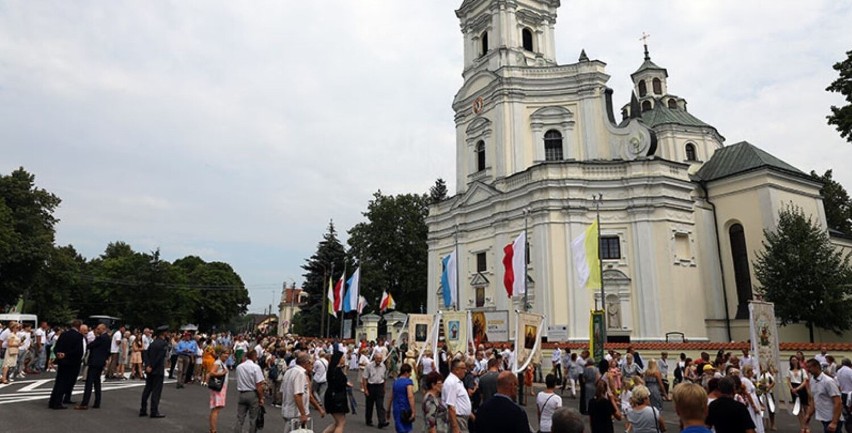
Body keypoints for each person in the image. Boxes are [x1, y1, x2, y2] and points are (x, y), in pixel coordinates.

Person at [282, 352, 325, 432]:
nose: (313, 367)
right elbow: (298, 394)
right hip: (295, 412)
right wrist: (303, 413)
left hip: (287, 408)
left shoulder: (289, 371)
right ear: (306, 363)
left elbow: (308, 395)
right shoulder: (300, 374)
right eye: (312, 364)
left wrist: (318, 408)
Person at [48, 319, 84, 409]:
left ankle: (52, 401)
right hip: (72, 362)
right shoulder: (79, 336)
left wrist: (58, 353)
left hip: (62, 361)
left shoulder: (63, 334)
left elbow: (56, 347)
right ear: (79, 326)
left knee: (59, 381)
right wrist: (66, 354)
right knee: (65, 383)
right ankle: (58, 403)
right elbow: (78, 351)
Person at [76, 323, 110, 410]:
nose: (97, 330)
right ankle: (97, 402)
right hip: (100, 362)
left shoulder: (101, 338)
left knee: (89, 382)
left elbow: (90, 346)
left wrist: (91, 339)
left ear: (103, 329)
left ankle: (84, 403)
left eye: (99, 329)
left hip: (94, 362)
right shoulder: (107, 338)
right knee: (97, 382)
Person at [805, 358, 844, 433]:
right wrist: (808, 415)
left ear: (816, 367)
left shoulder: (828, 381)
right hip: (823, 418)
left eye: (809, 367)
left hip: (832, 419)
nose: (808, 370)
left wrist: (834, 422)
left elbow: (838, 402)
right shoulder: (812, 380)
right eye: (807, 367)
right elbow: (814, 399)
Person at [139, 325, 169, 418]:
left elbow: (146, 354)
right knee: (156, 391)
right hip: (157, 370)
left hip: (150, 370)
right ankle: (154, 411)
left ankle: (143, 409)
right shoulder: (163, 344)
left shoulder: (153, 343)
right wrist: (152, 366)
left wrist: (147, 365)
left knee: (147, 389)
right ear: (164, 333)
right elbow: (159, 358)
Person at [234, 349, 265, 433]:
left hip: (242, 392)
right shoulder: (256, 367)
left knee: (240, 418)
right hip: (252, 393)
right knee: (253, 418)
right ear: (254, 356)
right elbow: (259, 385)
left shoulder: (239, 367)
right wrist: (261, 397)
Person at [322, 344, 349, 433]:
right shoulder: (337, 371)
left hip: (331, 396)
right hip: (337, 398)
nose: (344, 359)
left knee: (337, 422)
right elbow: (340, 383)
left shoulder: (332, 369)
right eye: (343, 358)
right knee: (341, 422)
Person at [443, 359, 474, 433]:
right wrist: (455, 427)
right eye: (463, 368)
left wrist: (470, 413)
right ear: (456, 370)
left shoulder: (457, 381)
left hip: (462, 419)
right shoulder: (452, 382)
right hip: (458, 419)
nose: (465, 371)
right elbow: (450, 406)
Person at [388, 363, 417, 433]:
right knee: (407, 428)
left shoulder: (396, 382)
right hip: (405, 408)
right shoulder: (408, 382)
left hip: (396, 408)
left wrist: (388, 410)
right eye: (410, 373)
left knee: (399, 427)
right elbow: (410, 396)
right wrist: (413, 411)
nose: (410, 374)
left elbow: (391, 397)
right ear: (406, 372)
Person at [363, 352, 389, 428]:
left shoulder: (383, 366)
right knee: (369, 405)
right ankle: (368, 420)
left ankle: (382, 422)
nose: (379, 361)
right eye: (377, 359)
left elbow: (384, 378)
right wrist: (365, 389)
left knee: (380, 405)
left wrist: (384, 388)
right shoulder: (369, 366)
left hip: (379, 386)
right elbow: (364, 378)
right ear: (374, 358)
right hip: (371, 386)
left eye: (380, 359)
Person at [207, 348, 230, 433]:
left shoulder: (222, 363)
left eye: (228, 353)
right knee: (216, 409)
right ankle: (213, 430)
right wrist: (222, 373)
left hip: (221, 387)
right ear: (221, 354)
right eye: (225, 353)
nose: (227, 355)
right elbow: (212, 372)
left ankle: (212, 429)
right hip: (218, 388)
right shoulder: (218, 362)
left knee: (216, 408)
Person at [788, 355, 810, 432]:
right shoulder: (789, 370)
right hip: (793, 388)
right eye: (792, 360)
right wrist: (792, 389)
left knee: (805, 407)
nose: (793, 361)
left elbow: (805, 381)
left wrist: (798, 388)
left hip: (801, 388)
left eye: (795, 360)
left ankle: (807, 426)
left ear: (798, 361)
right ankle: (802, 426)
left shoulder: (802, 370)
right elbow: (788, 381)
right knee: (798, 408)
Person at [835, 358, 852, 433]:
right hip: (850, 394)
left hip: (842, 393)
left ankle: (847, 427)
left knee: (845, 413)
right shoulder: (850, 371)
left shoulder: (838, 371)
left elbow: (837, 383)